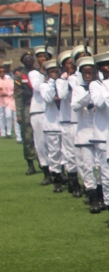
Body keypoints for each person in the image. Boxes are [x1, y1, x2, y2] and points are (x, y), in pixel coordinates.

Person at [89, 51, 109, 229]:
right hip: (104, 137)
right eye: (105, 65)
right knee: (108, 179)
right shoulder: (97, 85)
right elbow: (101, 102)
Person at [71, 56, 101, 211]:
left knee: (101, 168)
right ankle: (92, 197)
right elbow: (75, 106)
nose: (88, 76)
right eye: (85, 73)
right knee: (88, 167)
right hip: (85, 133)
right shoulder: (79, 89)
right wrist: (89, 93)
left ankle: (102, 196)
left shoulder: (102, 87)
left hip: (100, 134)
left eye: (91, 73)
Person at [55, 50, 81, 197]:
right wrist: (69, 78)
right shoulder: (61, 81)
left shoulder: (82, 77)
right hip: (67, 121)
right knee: (70, 154)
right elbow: (63, 95)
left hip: (80, 120)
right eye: (68, 63)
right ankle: (73, 183)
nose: (71, 65)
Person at [39, 59, 65, 192]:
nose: (55, 73)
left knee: (66, 154)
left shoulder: (63, 83)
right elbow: (49, 98)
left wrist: (59, 82)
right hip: (52, 125)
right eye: (52, 71)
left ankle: (68, 178)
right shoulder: (44, 85)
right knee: (54, 154)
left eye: (56, 71)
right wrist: (52, 82)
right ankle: (57, 180)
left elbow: (63, 95)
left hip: (64, 124)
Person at [28, 47, 52, 184]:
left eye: (45, 56)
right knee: (41, 143)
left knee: (53, 142)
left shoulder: (55, 73)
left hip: (51, 111)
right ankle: (46, 171)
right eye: (40, 56)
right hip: (38, 111)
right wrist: (43, 72)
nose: (43, 59)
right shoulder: (34, 73)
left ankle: (58, 171)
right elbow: (37, 87)